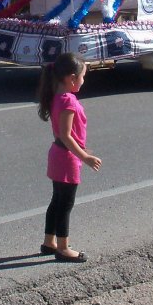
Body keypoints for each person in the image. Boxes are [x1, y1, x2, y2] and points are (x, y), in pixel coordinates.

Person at [37, 52, 101, 263]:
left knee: (57, 201)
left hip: (60, 155)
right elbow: (65, 135)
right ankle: (63, 248)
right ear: (71, 78)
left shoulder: (59, 96)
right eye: (82, 77)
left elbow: (65, 136)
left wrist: (81, 152)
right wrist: (84, 157)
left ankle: (49, 242)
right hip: (66, 158)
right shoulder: (68, 102)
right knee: (65, 203)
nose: (83, 81)